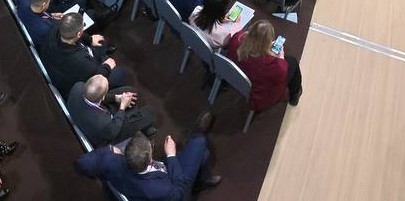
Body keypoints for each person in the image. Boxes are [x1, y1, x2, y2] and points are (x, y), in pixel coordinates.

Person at [75, 119, 221, 198]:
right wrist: (171, 155)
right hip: (176, 185)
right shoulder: (158, 190)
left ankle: (200, 180)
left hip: (146, 181)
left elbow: (82, 162)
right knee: (199, 143)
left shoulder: (109, 160)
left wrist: (110, 150)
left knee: (203, 154)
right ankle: (198, 134)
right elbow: (179, 192)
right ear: (150, 159)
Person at [224, 20, 303, 112]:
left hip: (234, 77)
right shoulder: (276, 66)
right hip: (257, 96)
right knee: (293, 63)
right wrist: (280, 57)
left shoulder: (236, 38)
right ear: (268, 43)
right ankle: (294, 96)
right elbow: (282, 74)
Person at [41, 12, 127, 95]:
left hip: (65, 62)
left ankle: (102, 54)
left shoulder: (54, 29)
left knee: (100, 45)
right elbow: (96, 76)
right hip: (79, 79)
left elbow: (76, 35)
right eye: (83, 27)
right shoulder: (82, 62)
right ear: (79, 34)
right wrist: (107, 66)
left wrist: (90, 39)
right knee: (120, 73)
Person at [68, 74, 158, 148]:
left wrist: (116, 98)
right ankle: (147, 131)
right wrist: (122, 107)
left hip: (90, 113)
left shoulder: (77, 87)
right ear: (103, 97)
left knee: (130, 92)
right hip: (107, 132)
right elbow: (114, 130)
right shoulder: (105, 124)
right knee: (150, 113)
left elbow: (94, 97)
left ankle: (135, 118)